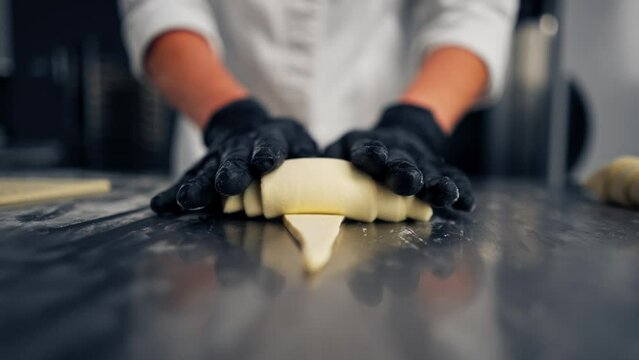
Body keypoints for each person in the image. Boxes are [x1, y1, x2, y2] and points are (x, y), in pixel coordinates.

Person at [119, 0, 518, 214]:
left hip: (382, 157)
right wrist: (230, 118)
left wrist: (416, 123)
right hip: (227, 159)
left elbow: (473, 12)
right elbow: (160, 7)